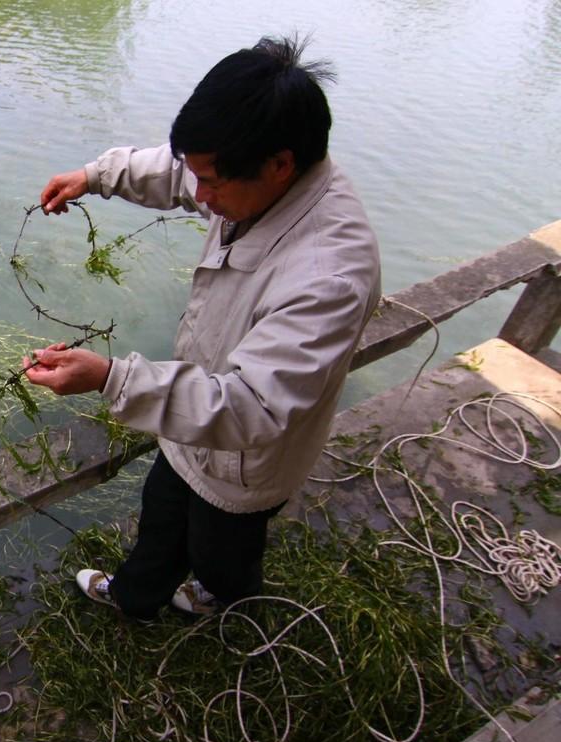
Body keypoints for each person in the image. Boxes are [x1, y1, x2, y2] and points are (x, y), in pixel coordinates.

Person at [24, 35, 381, 618]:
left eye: (212, 183)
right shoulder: (249, 174)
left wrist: (112, 380)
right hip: (191, 414)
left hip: (247, 460)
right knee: (162, 514)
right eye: (199, 176)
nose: (200, 195)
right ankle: (136, 598)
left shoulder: (330, 275)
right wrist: (95, 175)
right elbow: (178, 170)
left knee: (223, 547)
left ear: (280, 165)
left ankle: (225, 597)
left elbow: (249, 408)